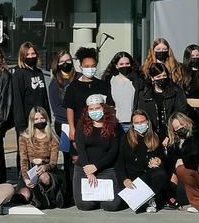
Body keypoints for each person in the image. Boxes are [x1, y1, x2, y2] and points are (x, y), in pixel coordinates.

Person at [116, 109, 175, 213]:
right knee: (120, 204)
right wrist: (124, 179)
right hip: (132, 179)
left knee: (160, 173)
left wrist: (159, 161)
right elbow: (119, 162)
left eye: (142, 122)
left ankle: (151, 200)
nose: (140, 124)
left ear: (147, 121)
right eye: (137, 123)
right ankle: (142, 200)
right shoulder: (126, 139)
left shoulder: (155, 137)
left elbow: (163, 157)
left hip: (148, 176)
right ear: (132, 124)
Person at [73, 94, 124, 212]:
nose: (94, 111)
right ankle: (96, 197)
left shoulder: (114, 126)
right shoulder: (81, 125)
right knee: (84, 205)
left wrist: (96, 167)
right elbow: (81, 149)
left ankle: (101, 197)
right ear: (87, 110)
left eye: (97, 108)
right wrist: (88, 170)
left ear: (104, 108)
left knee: (112, 206)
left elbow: (113, 151)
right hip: (84, 169)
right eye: (91, 109)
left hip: (106, 169)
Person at [14, 107, 61, 209]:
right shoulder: (24, 137)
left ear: (46, 119)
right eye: (36, 119)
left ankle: (45, 199)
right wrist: (26, 178)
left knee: (45, 178)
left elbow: (53, 162)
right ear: (32, 121)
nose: (39, 121)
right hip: (29, 170)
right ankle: (32, 195)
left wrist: (45, 167)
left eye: (42, 118)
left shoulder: (53, 138)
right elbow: (23, 160)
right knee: (25, 195)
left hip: (48, 170)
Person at [47, 49, 76, 204]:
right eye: (62, 61)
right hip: (63, 125)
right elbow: (57, 108)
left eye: (68, 61)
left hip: (80, 123)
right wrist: (72, 117)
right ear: (57, 64)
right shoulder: (54, 83)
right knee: (68, 159)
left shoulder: (78, 79)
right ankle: (68, 192)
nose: (66, 64)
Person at [134, 61, 187, 140]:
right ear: (152, 78)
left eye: (164, 75)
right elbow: (141, 113)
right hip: (151, 134)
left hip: (172, 132)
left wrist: (170, 134)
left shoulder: (176, 92)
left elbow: (180, 112)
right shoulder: (144, 95)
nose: (162, 79)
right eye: (158, 77)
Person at [102, 51, 142, 133]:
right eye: (121, 64)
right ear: (116, 66)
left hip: (135, 124)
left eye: (127, 64)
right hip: (117, 124)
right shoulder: (110, 81)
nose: (125, 66)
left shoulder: (137, 81)